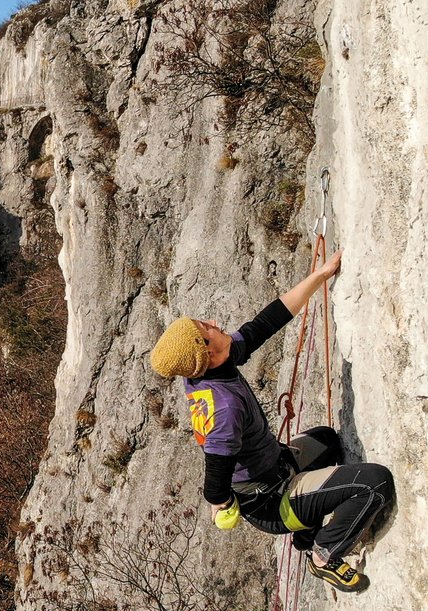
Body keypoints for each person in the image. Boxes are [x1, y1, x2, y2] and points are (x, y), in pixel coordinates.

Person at [148, 252, 394, 592]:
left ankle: (307, 527)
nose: (213, 323)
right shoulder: (224, 408)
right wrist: (223, 503)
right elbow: (214, 488)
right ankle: (323, 555)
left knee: (326, 440)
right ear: (205, 348)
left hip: (278, 466)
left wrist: (320, 275)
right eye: (204, 327)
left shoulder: (206, 368)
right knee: (374, 482)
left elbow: (266, 322)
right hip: (272, 501)